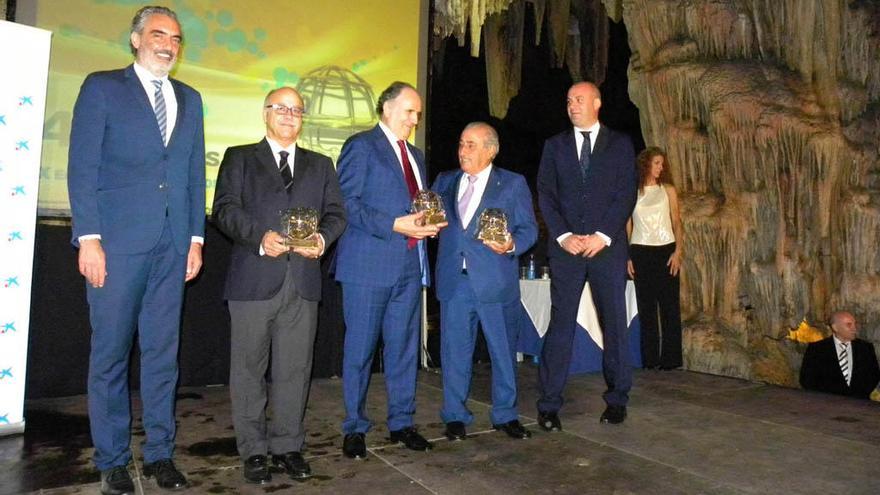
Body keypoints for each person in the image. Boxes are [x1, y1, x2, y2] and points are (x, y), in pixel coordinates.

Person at [67, 6, 203, 494]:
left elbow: (190, 174)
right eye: (159, 34)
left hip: (172, 247)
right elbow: (82, 168)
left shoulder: (190, 98)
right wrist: (89, 238)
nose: (168, 43)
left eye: (176, 38)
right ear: (135, 39)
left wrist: (195, 239)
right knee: (110, 356)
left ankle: (161, 455)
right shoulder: (102, 87)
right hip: (116, 246)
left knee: (163, 356)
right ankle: (113, 460)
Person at [212, 87, 346, 484]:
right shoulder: (239, 158)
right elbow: (224, 209)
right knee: (248, 370)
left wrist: (321, 239)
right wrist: (259, 236)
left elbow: (337, 213)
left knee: (294, 370)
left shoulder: (321, 164)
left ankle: (289, 447)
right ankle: (253, 450)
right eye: (281, 108)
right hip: (253, 278)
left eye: (297, 110)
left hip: (302, 282)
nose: (290, 115)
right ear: (265, 113)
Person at [334, 82, 446, 458]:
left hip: (409, 267)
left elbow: (416, 205)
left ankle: (402, 423)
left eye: (417, 114)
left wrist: (426, 223)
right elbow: (345, 203)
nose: (414, 120)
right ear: (386, 108)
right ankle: (354, 428)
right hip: (367, 266)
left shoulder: (415, 154)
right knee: (360, 352)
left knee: (403, 351)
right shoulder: (360, 147)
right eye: (408, 111)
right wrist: (396, 224)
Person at [535, 81, 638, 428]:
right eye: (568, 101)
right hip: (566, 251)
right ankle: (549, 405)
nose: (572, 105)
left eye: (578, 99)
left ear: (597, 102)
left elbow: (626, 193)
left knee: (614, 325)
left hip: (606, 250)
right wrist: (563, 235)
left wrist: (604, 236)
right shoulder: (554, 146)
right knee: (560, 325)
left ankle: (617, 399)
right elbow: (546, 194)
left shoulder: (620, 144)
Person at [432, 122, 538, 441]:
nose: (463, 151)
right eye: (462, 144)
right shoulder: (444, 180)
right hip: (455, 281)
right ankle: (454, 415)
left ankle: (505, 415)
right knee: (454, 352)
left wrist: (510, 244)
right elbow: (430, 219)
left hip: (494, 281)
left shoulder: (512, 184)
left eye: (472, 145)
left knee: (503, 351)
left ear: (491, 150)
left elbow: (529, 229)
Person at [626, 147, 684, 370]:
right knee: (647, 308)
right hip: (641, 251)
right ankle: (649, 359)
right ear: (646, 164)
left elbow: (677, 222)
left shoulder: (668, 190)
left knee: (669, 306)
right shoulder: (634, 192)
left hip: (666, 249)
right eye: (657, 163)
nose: (661, 167)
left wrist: (678, 251)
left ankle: (671, 360)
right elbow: (627, 225)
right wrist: (628, 256)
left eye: (662, 164)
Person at [800, 311, 880, 400]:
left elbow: (874, 375)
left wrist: (858, 395)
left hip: (859, 404)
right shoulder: (817, 349)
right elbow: (807, 379)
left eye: (854, 324)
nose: (854, 329)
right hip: (827, 405)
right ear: (835, 327)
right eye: (849, 325)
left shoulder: (865, 348)